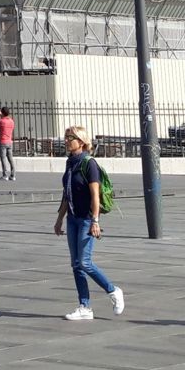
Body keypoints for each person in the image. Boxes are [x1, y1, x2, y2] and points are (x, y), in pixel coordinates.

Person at [54, 125, 123, 321]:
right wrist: (59, 219)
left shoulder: (89, 163)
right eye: (66, 137)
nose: (66, 141)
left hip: (86, 219)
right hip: (72, 219)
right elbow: (67, 194)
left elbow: (95, 196)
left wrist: (95, 221)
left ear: (82, 142)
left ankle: (113, 290)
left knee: (85, 262)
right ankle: (85, 307)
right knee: (76, 265)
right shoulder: (70, 163)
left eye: (70, 138)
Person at [0, 106, 17, 181]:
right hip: (9, 142)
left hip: (2, 142)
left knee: (3, 159)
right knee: (10, 159)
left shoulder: (1, 121)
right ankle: (13, 175)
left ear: (2, 113)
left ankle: (5, 175)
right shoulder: (11, 121)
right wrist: (2, 115)